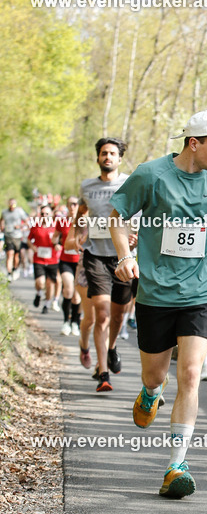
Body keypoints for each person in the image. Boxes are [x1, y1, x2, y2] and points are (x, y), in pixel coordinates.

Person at [109, 110, 207, 498]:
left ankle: (176, 465)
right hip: (156, 293)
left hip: (201, 292)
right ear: (194, 143)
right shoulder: (152, 174)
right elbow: (117, 215)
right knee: (154, 376)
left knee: (191, 373)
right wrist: (125, 256)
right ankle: (150, 394)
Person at [75, 138, 132, 392]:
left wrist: (135, 235)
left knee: (118, 314)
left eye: (112, 153)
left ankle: (112, 347)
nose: (107, 157)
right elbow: (81, 212)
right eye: (103, 153)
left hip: (123, 256)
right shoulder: (87, 186)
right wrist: (78, 232)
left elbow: (141, 216)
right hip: (95, 254)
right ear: (98, 157)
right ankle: (103, 372)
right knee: (102, 313)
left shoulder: (130, 184)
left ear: (119, 158)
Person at [53, 197, 83, 336]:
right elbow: (55, 237)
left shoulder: (85, 222)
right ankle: (66, 322)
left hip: (80, 262)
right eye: (70, 204)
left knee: (77, 297)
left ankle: (75, 322)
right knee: (68, 290)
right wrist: (56, 244)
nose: (72, 207)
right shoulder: (62, 221)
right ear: (67, 206)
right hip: (65, 261)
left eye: (75, 204)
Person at [27, 204, 59, 313]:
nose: (44, 216)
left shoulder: (56, 227)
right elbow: (28, 240)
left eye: (47, 214)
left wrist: (58, 245)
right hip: (39, 259)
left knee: (50, 284)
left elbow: (61, 240)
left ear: (51, 214)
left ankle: (47, 304)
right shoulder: (36, 226)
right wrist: (32, 247)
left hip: (52, 260)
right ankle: (39, 293)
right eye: (42, 214)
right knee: (40, 282)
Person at [2, 199, 27, 280]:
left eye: (14, 204)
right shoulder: (4, 212)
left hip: (17, 236)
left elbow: (27, 221)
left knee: (16, 255)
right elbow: (2, 220)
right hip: (8, 236)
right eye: (11, 204)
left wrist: (19, 226)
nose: (12, 205)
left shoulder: (19, 212)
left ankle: (15, 269)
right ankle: (9, 273)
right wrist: (2, 227)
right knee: (10, 254)